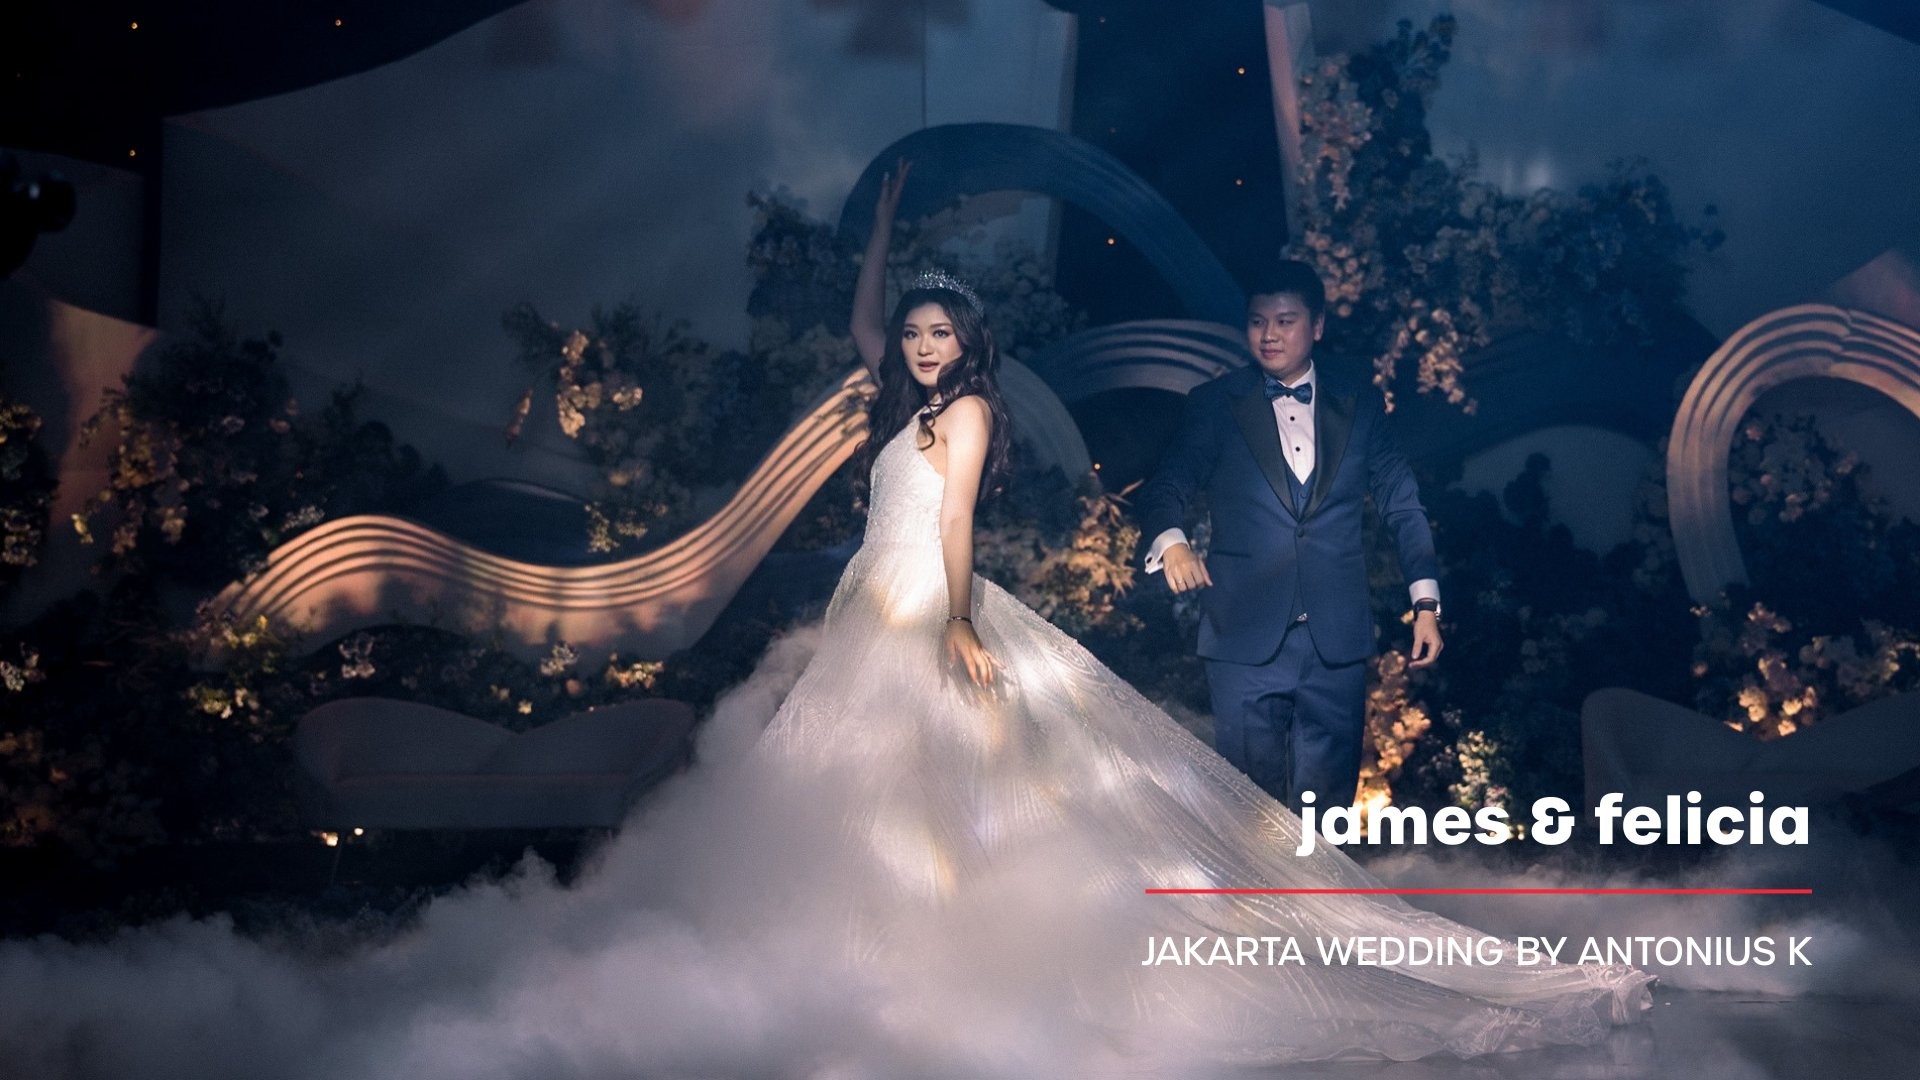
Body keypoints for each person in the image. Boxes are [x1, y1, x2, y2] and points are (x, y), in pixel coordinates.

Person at [729, 162, 1651, 1068]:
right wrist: (882, 232)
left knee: (985, 790)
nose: (923, 346)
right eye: (914, 334)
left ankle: (1279, 947)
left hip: (949, 601)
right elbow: (868, 326)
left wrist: (960, 619)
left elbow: (956, 519)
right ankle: (890, 967)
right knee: (890, 791)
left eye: (940, 333)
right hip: (887, 611)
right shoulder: (916, 403)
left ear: (968, 344)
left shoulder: (965, 411)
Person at [1135, 261, 1443, 813]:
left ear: (1317, 326)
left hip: (1335, 644)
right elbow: (1167, 485)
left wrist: (1425, 604)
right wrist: (1173, 540)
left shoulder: (1360, 403)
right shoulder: (1216, 402)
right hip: (1243, 640)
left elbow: (1403, 505)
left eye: (1284, 321)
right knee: (1247, 814)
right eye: (1257, 322)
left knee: (1326, 823)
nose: (1269, 335)